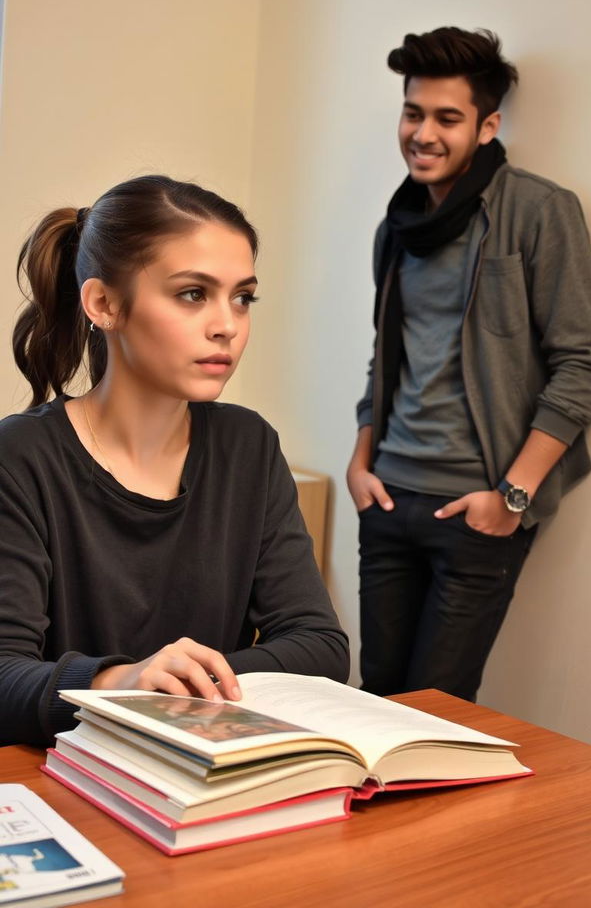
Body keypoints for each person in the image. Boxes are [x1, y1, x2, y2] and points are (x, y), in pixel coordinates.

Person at [0, 174, 349, 746]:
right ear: (104, 303)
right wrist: (122, 681)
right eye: (193, 294)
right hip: (64, 782)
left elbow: (319, 644)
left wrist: (178, 687)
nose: (228, 325)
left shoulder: (249, 446)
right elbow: (3, 677)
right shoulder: (19, 457)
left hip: (208, 772)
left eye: (243, 297)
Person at [347, 27, 591, 701]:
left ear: (487, 126)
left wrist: (513, 499)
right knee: (375, 700)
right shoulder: (397, 226)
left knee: (434, 716)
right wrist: (360, 460)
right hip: (388, 497)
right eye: (414, 113)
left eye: (447, 118)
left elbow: (583, 364)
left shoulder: (538, 211)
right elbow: (389, 356)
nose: (423, 133)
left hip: (476, 508)